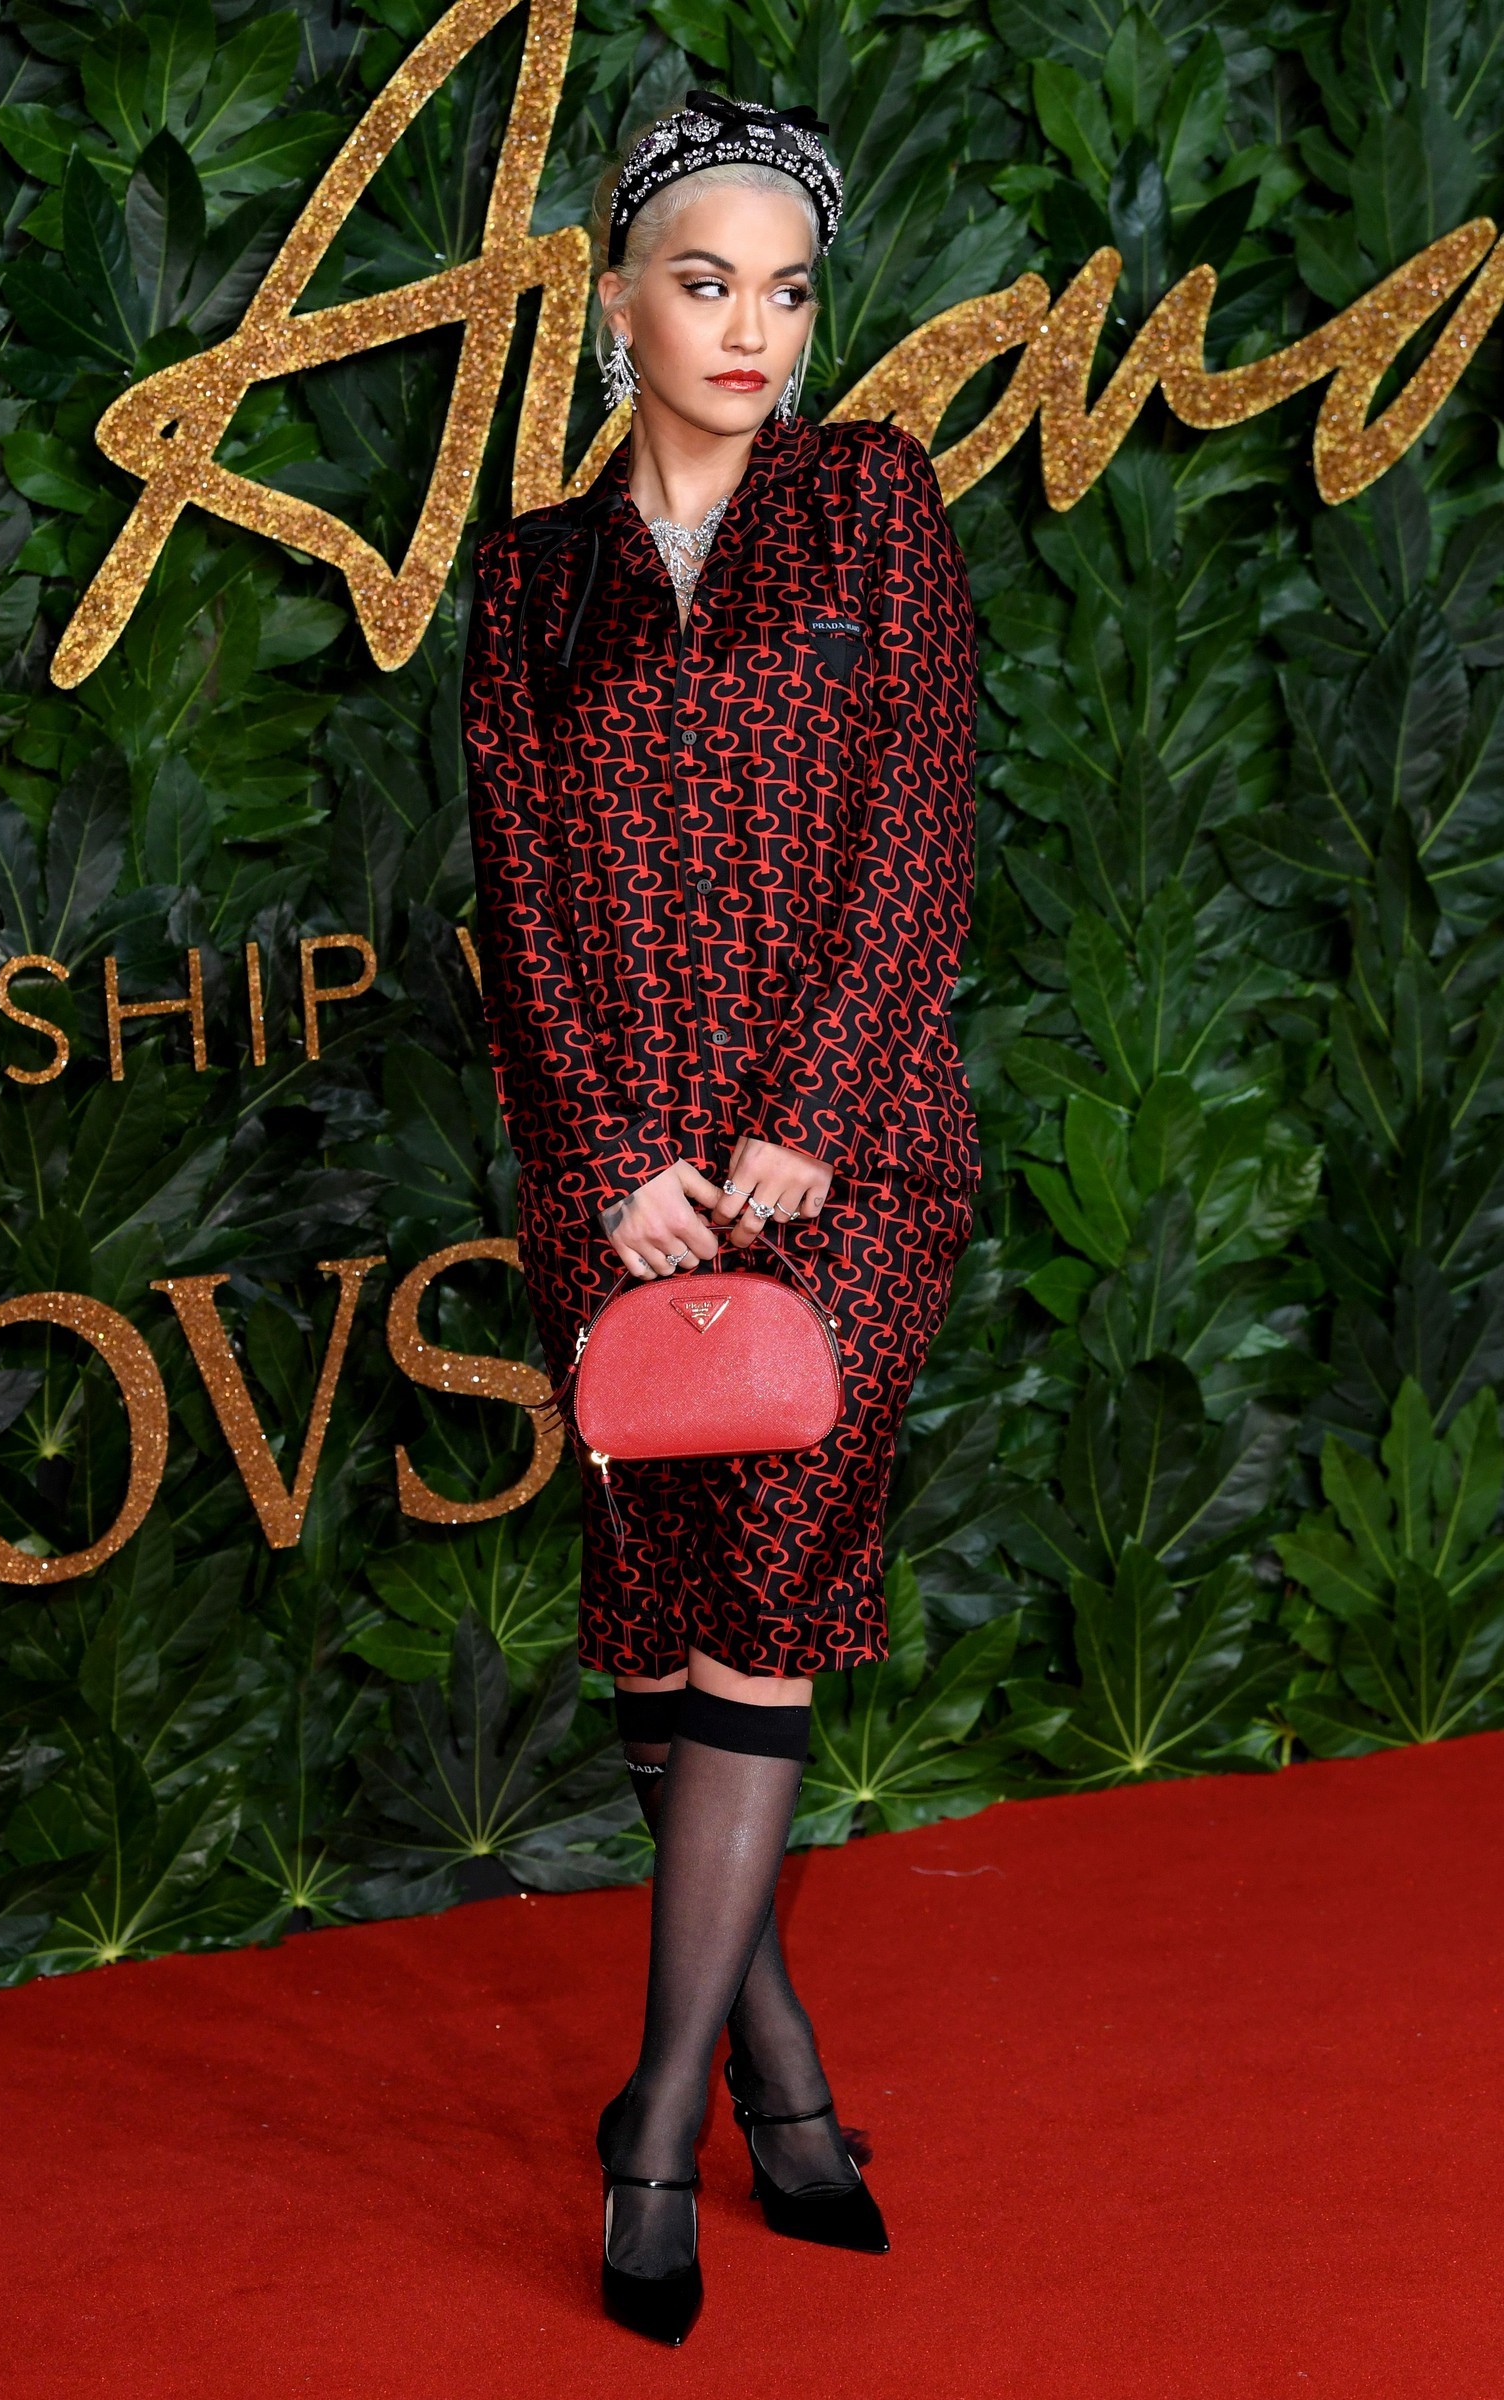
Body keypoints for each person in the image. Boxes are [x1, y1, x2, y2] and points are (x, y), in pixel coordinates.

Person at [460, 89, 980, 2346]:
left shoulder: (870, 502)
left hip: (845, 1162)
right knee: (670, 1611)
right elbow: (519, 905)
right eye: (704, 281)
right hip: (622, 1183)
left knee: (766, 1573)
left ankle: (655, 2134)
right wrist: (605, 1163)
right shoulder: (530, 579)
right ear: (616, 302)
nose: (751, 326)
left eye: (785, 288)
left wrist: (812, 1118)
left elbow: (921, 832)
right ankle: (781, 2084)